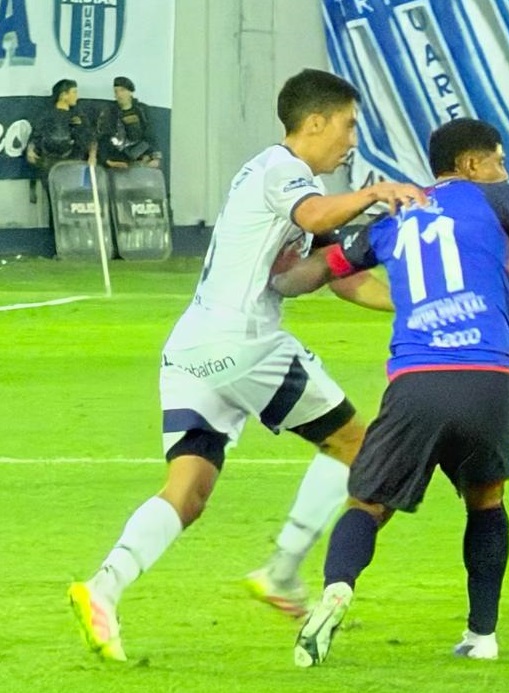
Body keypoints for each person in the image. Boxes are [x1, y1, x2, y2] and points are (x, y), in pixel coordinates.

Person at [67, 68, 427, 662]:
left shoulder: (283, 181)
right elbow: (316, 217)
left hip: (194, 345)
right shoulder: (283, 172)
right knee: (359, 449)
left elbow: (328, 275)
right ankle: (283, 570)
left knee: (188, 490)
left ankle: (103, 587)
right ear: (315, 122)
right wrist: (374, 193)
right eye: (347, 126)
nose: (351, 140)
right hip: (245, 341)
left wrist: (411, 304)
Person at [273, 118, 509, 666]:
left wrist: (274, 271)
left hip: (417, 380)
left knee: (368, 503)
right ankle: (482, 635)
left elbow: (312, 275)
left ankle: (338, 588)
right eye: (498, 161)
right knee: (486, 502)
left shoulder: (394, 215)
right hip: (489, 377)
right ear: (470, 164)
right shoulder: (494, 199)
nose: (504, 171)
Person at [25, 79, 94, 206]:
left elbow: (89, 136)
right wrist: (30, 150)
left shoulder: (78, 116)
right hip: (49, 164)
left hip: (74, 164)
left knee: (73, 200)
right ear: (63, 95)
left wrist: (92, 155)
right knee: (54, 201)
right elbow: (35, 135)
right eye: (74, 92)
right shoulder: (47, 115)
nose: (76, 96)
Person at [98, 76, 162, 169]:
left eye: (122, 90)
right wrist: (107, 161)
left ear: (131, 92)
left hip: (139, 155)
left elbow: (150, 135)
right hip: (116, 156)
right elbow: (103, 137)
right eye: (116, 91)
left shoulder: (142, 110)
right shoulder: (109, 112)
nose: (119, 94)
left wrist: (155, 158)